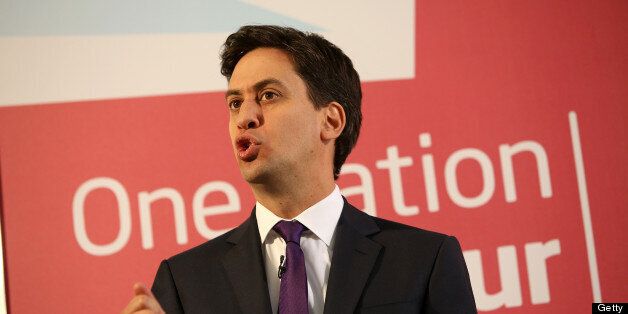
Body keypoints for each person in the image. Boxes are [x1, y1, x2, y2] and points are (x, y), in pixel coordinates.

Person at [121, 25, 477, 314]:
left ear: (331, 120)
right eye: (234, 103)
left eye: (268, 95)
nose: (245, 117)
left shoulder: (424, 261)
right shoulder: (186, 281)